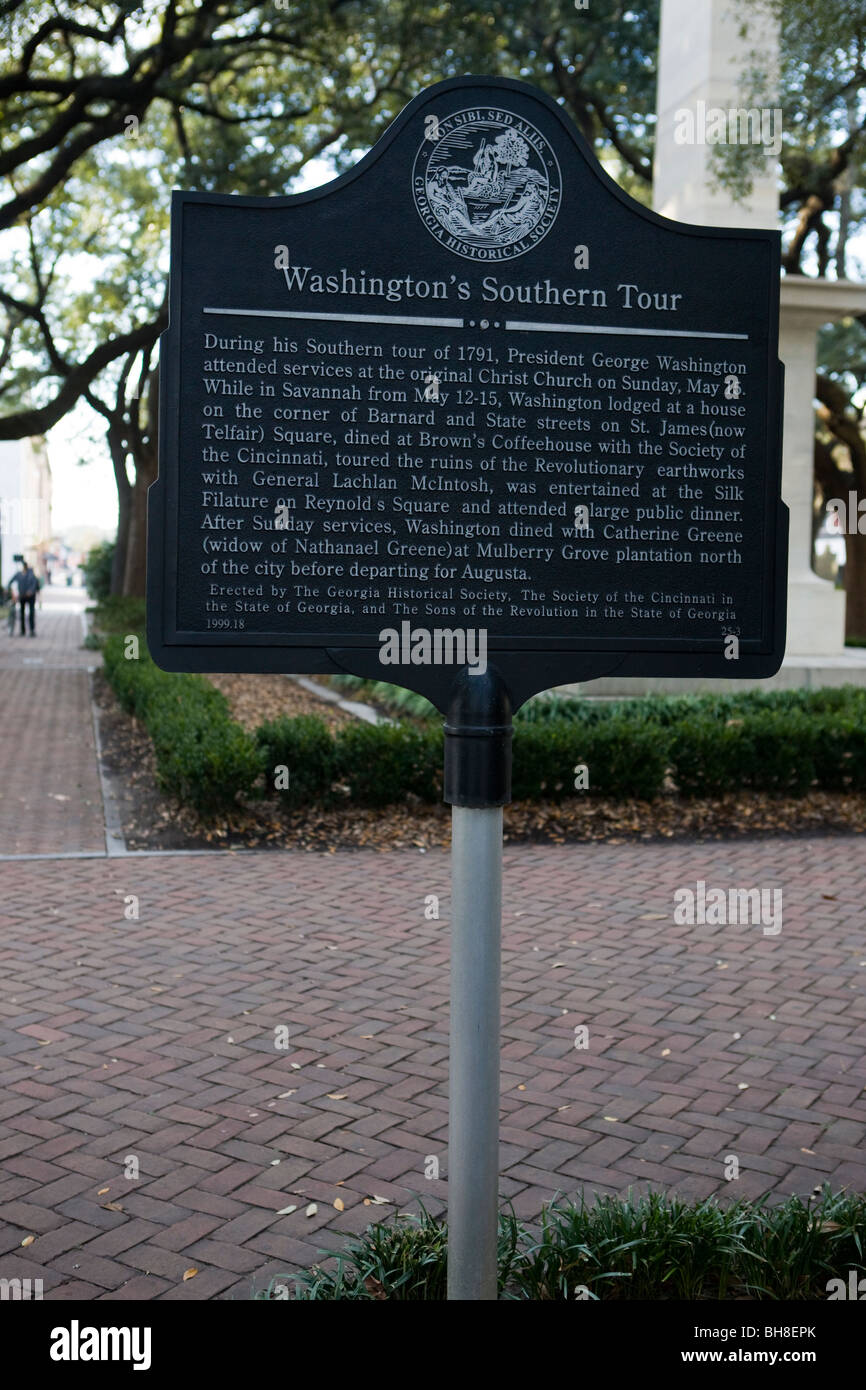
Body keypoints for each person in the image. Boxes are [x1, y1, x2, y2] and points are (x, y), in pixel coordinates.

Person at [10, 560, 39, 636]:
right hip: (22, 596)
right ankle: (22, 630)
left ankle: (32, 630)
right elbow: (11, 581)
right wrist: (10, 590)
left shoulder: (31, 574)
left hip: (30, 597)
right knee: (21, 613)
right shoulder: (18, 574)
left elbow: (34, 584)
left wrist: (30, 591)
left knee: (31, 613)